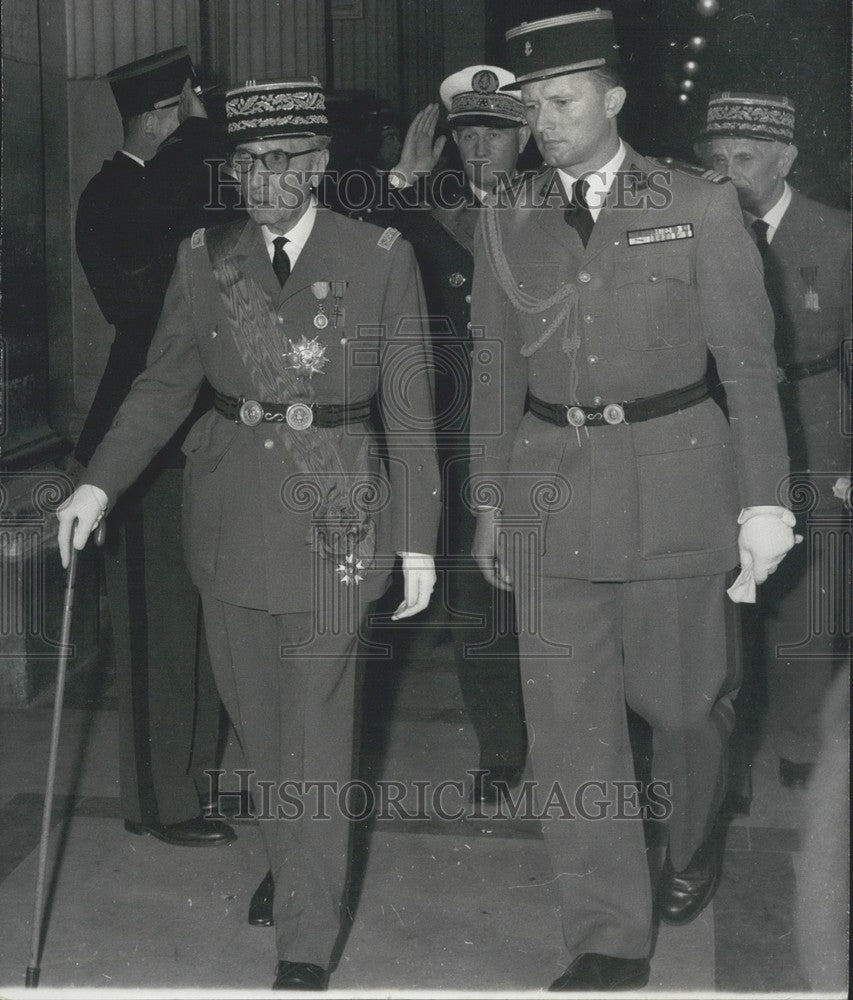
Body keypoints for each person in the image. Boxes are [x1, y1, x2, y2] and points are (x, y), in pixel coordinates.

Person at [58, 76, 440, 992]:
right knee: (263, 730)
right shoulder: (206, 258)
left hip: (338, 513)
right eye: (246, 163)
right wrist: (98, 485)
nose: (262, 179)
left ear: (318, 164)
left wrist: (418, 538)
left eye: (281, 160)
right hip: (229, 517)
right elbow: (163, 385)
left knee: (317, 732)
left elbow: (409, 408)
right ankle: (297, 861)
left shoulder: (378, 254)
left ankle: (305, 940)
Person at [468, 11, 798, 991]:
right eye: (531, 106)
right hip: (550, 494)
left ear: (611, 100)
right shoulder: (506, 213)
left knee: (686, 710)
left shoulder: (696, 202)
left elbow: (748, 368)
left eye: (562, 101)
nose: (543, 122)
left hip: (675, 491)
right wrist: (489, 501)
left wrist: (764, 504)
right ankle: (608, 934)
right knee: (569, 730)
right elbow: (493, 371)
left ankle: (689, 841)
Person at [74, 47, 235, 848]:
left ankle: (193, 784)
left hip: (201, 430)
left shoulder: (181, 183)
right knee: (156, 632)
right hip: (137, 445)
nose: (200, 113)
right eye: (186, 103)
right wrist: (199, 139)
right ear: (155, 117)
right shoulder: (111, 193)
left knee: (200, 625)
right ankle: (156, 800)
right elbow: (137, 300)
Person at [367, 67, 531, 804]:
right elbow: (355, 242)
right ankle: (501, 746)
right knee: (475, 599)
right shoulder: (425, 213)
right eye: (466, 135)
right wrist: (402, 179)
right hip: (463, 434)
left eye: (494, 132)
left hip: (550, 425)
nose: (478, 148)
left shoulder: (559, 208)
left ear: (525, 137)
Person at [695, 92, 851, 792]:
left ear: (785, 160)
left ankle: (798, 737)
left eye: (745, 158)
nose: (729, 174)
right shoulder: (695, 227)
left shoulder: (836, 235)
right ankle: (720, 742)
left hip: (814, 422)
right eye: (718, 160)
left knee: (809, 591)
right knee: (719, 593)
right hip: (721, 422)